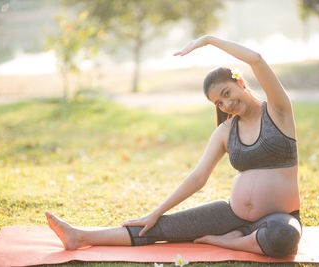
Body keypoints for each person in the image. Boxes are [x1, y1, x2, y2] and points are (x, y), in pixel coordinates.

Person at [45, 35, 302, 257]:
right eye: (219, 103)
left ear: (241, 83)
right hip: (232, 215)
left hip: (277, 218)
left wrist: (209, 40)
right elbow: (198, 177)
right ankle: (79, 236)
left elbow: (256, 58)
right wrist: (155, 212)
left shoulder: (278, 111)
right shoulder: (226, 131)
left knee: (284, 236)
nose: (226, 104)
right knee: (159, 227)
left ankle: (230, 241)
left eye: (226, 93)